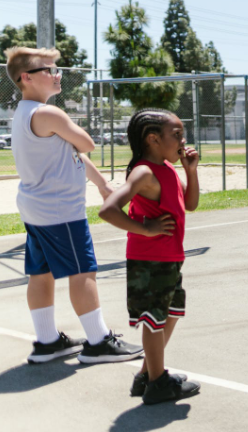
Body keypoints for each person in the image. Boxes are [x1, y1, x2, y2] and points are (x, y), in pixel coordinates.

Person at [4, 46, 144, 364]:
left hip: (36, 207)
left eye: (58, 69)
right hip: (59, 210)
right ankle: (98, 342)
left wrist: (100, 183)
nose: (57, 75)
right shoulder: (48, 114)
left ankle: (47, 341)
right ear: (26, 77)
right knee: (83, 272)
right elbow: (87, 143)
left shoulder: (24, 113)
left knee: (41, 274)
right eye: (49, 70)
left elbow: (72, 151)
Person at [99, 108, 201, 405]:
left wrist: (190, 170)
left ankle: (148, 374)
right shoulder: (144, 171)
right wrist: (145, 228)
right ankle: (157, 384)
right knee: (153, 320)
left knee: (169, 315)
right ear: (154, 139)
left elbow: (191, 204)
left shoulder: (168, 169)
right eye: (177, 135)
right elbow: (108, 210)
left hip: (170, 257)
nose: (183, 141)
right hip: (150, 259)